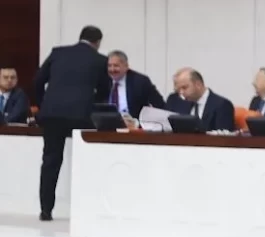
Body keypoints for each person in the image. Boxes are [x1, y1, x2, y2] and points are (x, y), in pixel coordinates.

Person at [32, 26, 111, 220]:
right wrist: (92, 104)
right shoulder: (100, 60)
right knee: (84, 161)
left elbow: (38, 81)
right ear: (98, 42)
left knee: (50, 161)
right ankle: (83, 209)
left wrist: (42, 105)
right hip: (81, 115)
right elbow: (105, 89)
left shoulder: (58, 53)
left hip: (52, 114)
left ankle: (46, 210)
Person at [105, 50, 166, 120]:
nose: (112, 69)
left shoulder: (140, 81)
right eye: (109, 66)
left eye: (116, 66)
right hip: (108, 123)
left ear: (126, 66)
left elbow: (159, 104)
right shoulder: (104, 81)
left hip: (134, 123)